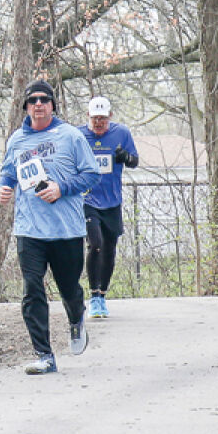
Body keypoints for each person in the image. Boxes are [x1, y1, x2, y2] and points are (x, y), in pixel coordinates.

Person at [0, 79, 101, 374]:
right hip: (29, 229)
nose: (38, 104)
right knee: (31, 289)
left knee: (69, 288)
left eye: (44, 99)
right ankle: (44, 354)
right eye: (33, 100)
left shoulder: (71, 136)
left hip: (66, 229)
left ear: (53, 105)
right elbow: (7, 172)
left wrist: (61, 188)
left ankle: (76, 319)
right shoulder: (17, 140)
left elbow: (92, 174)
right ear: (26, 107)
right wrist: (2, 188)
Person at [78, 96, 139, 318]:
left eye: (103, 119)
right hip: (87, 199)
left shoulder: (121, 133)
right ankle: (93, 296)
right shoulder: (79, 136)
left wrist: (125, 157)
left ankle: (102, 295)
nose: (99, 124)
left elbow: (135, 161)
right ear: (88, 117)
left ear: (110, 117)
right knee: (95, 243)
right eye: (95, 119)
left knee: (110, 249)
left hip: (112, 201)